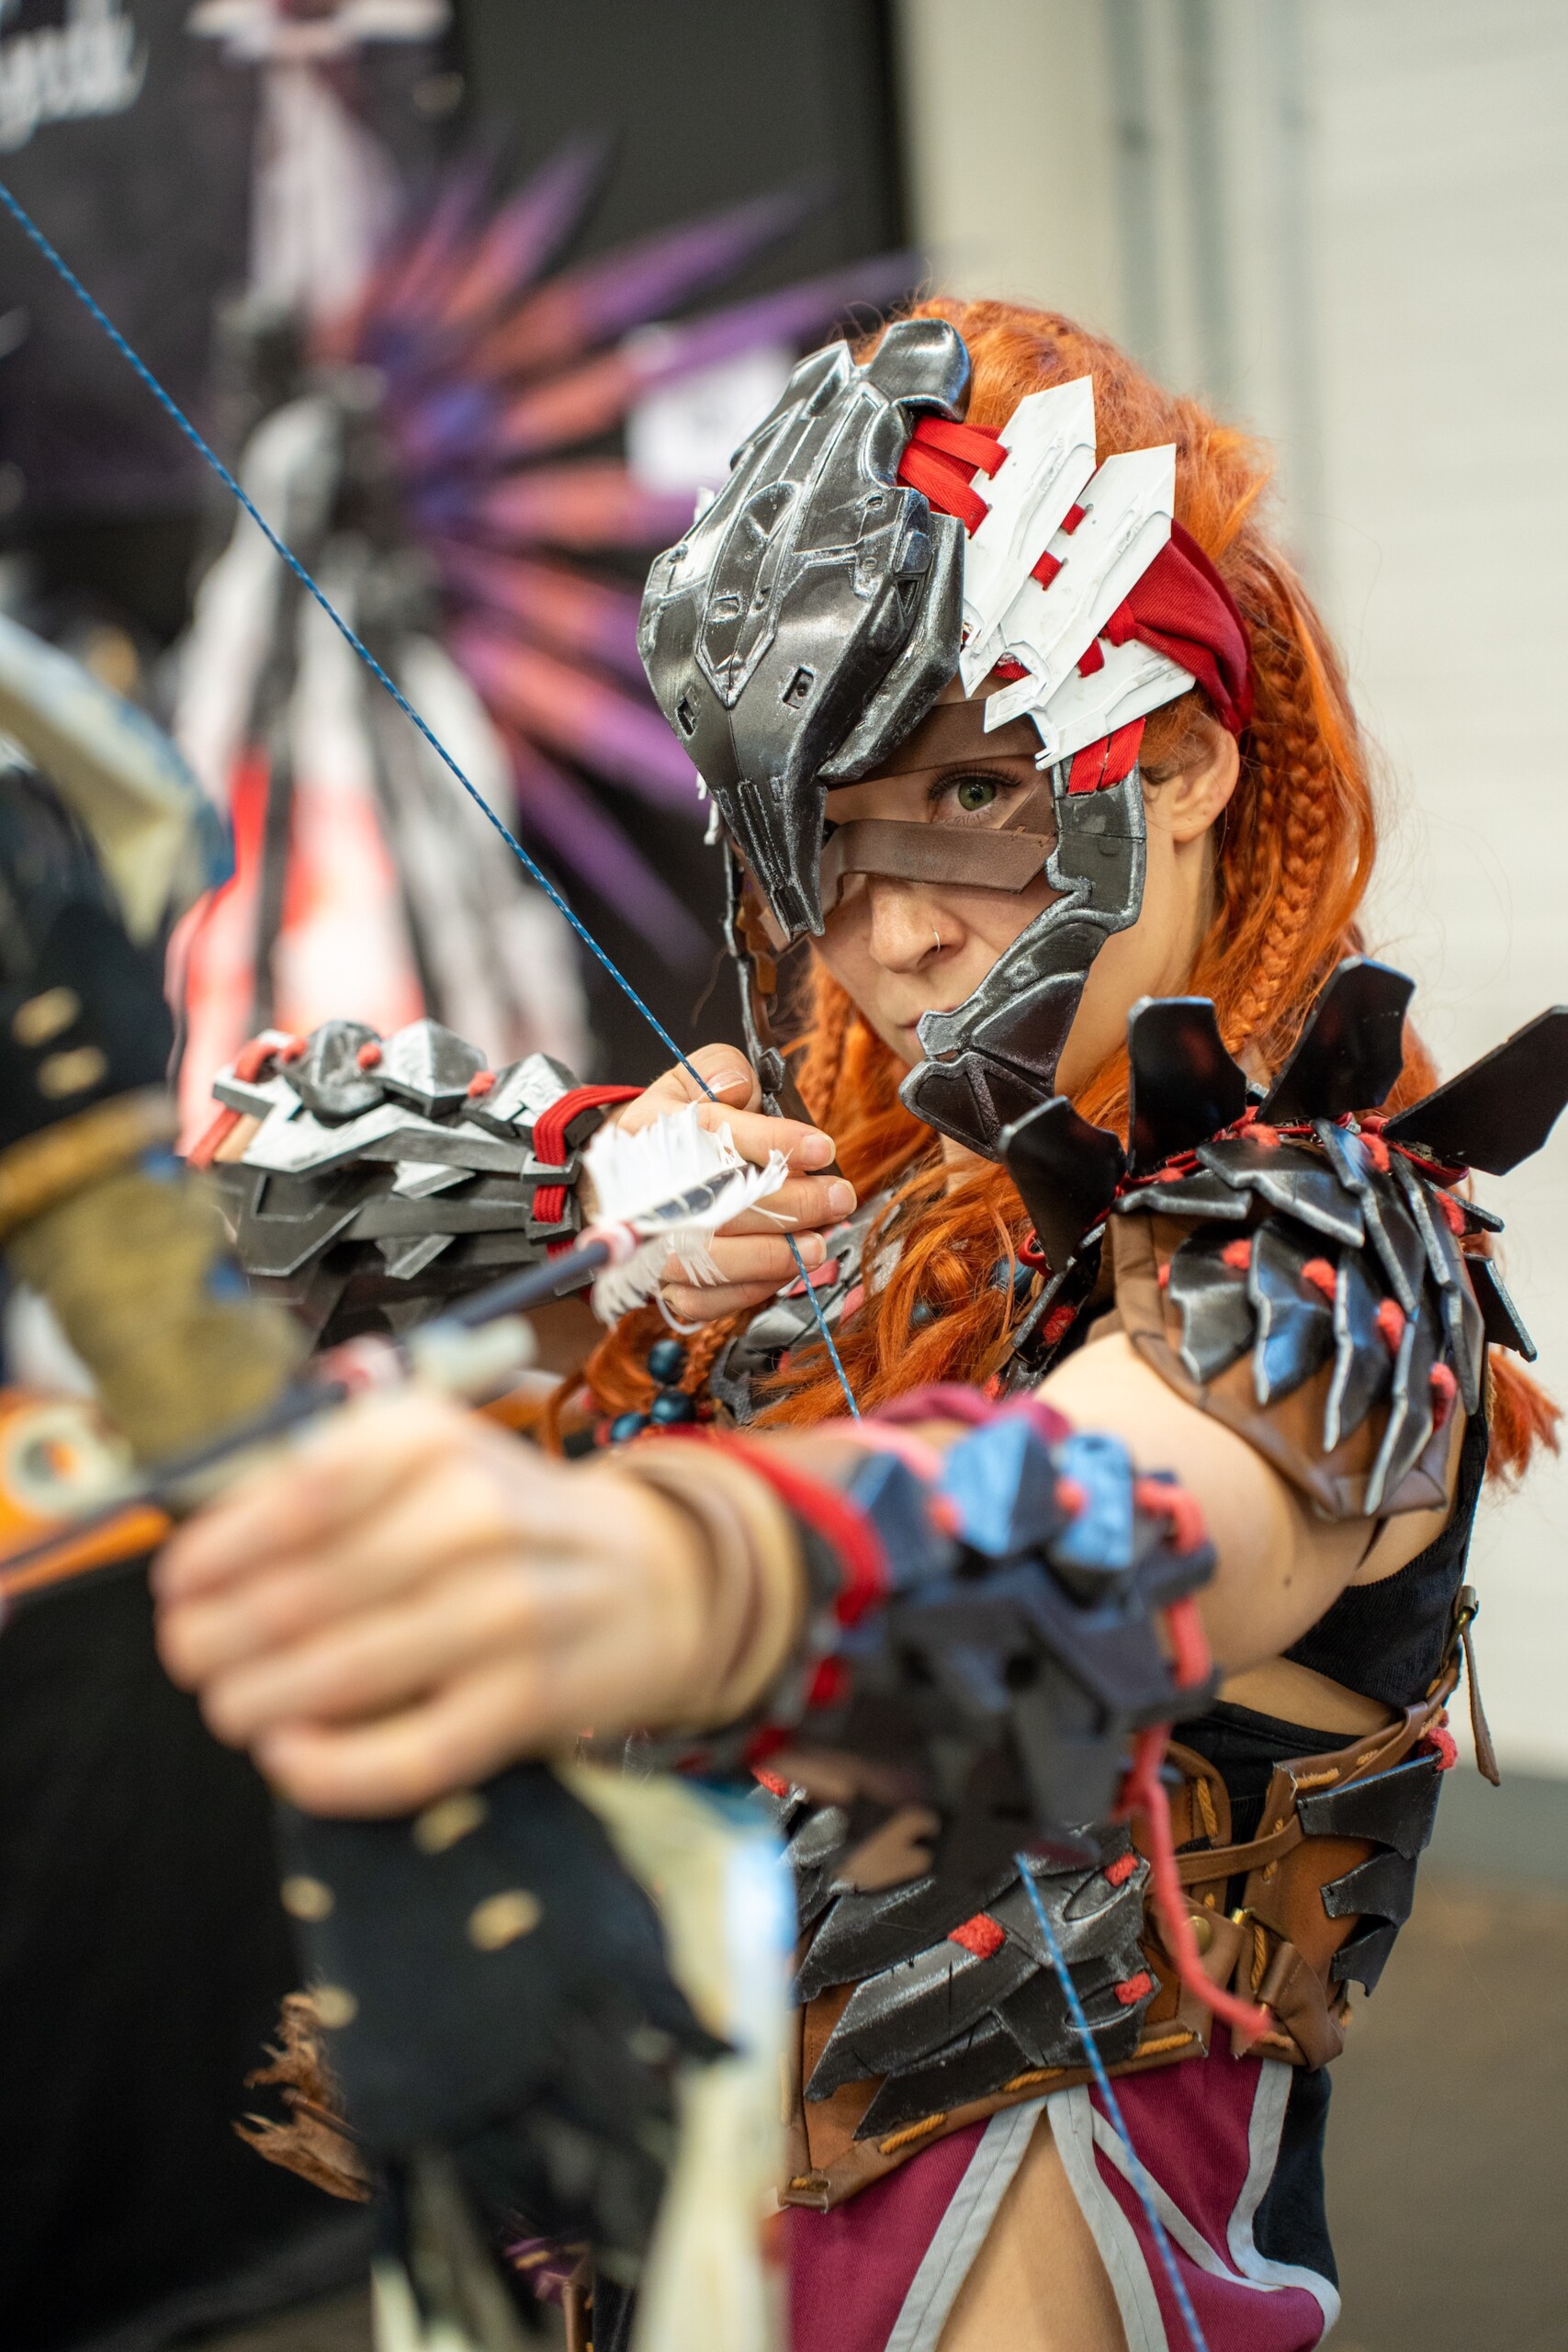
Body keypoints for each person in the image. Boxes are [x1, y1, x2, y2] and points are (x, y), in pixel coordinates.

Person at [153, 300, 1561, 2352]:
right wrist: (578, 1195)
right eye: (833, 833)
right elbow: (216, 1204)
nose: (894, 922)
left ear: (1176, 763)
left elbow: (1121, 1526)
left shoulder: (1327, 1228)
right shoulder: (841, 1223)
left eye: (974, 794)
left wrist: (641, 1577)